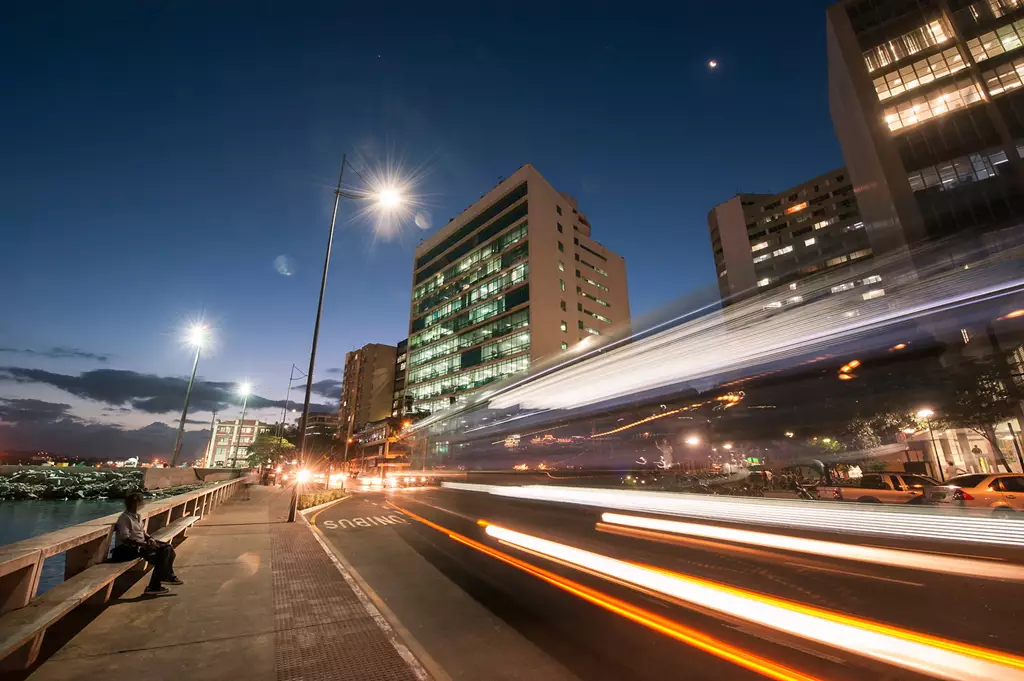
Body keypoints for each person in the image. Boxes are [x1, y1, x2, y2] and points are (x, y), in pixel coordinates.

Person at [111, 492, 182, 595]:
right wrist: (143, 544)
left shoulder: (138, 516)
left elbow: (142, 532)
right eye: (140, 502)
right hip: (127, 549)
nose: (142, 504)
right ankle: (157, 584)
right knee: (161, 556)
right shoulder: (124, 518)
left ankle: (165, 578)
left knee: (168, 548)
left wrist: (150, 539)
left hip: (140, 544)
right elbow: (125, 538)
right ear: (134, 504)